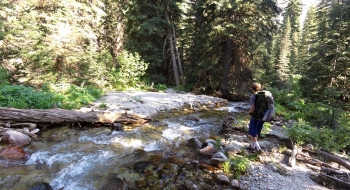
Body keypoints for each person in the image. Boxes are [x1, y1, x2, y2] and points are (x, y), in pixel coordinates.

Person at [247, 82, 264, 151]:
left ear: (252, 89)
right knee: (256, 132)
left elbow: (253, 109)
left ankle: (259, 149)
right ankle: (252, 147)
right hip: (263, 116)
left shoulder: (253, 96)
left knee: (251, 133)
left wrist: (249, 112)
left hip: (255, 116)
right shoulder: (263, 95)